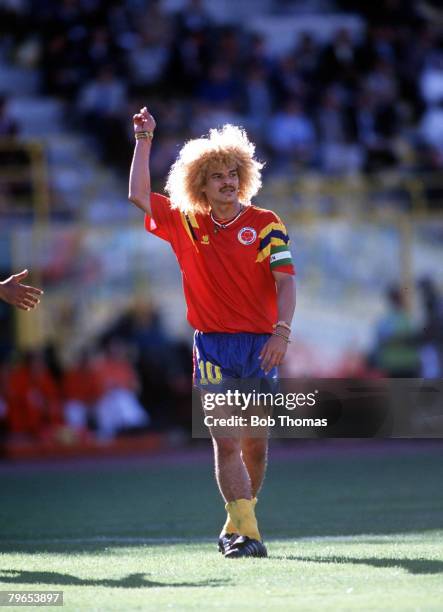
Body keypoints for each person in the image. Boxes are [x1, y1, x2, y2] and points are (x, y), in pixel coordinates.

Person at [128, 107, 296, 559]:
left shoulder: (266, 224)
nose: (226, 181)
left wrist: (282, 333)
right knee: (225, 440)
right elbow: (139, 195)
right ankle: (247, 535)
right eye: (215, 175)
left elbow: (286, 281)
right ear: (198, 184)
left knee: (254, 447)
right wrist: (144, 138)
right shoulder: (185, 221)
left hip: (261, 347)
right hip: (213, 347)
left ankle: (236, 522)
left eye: (232, 173)